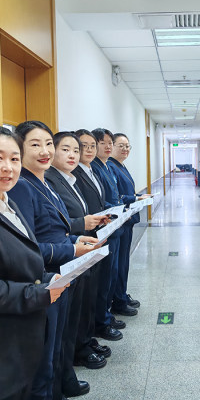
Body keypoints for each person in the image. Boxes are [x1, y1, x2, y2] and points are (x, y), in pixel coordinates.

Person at [0, 126, 67, 400]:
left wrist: (46, 278)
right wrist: (38, 293)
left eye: (14, 159)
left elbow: (20, 258)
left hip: (18, 337)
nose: (8, 167)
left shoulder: (5, 203)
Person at [10, 121, 97, 400]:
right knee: (42, 362)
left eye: (48, 143)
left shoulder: (43, 182)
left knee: (53, 354)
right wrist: (71, 248)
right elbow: (28, 246)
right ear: (19, 149)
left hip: (59, 278)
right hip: (42, 280)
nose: (45, 151)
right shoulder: (21, 187)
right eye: (35, 145)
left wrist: (75, 240)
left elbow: (54, 228)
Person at [45, 132, 108, 400]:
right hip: (56, 265)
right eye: (66, 149)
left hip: (75, 252)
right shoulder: (41, 182)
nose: (72, 155)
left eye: (75, 150)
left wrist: (78, 234)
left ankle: (66, 377)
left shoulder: (66, 179)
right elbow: (48, 229)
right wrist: (79, 229)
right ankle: (58, 388)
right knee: (60, 331)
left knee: (72, 322)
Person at [73, 129, 115, 358]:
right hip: (82, 240)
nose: (88, 150)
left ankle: (90, 336)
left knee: (96, 288)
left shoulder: (92, 171)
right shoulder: (72, 174)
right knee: (86, 294)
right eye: (83, 146)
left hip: (97, 234)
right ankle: (84, 342)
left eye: (91, 146)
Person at [107, 133, 151, 316]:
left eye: (127, 146)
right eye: (121, 146)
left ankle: (122, 295)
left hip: (128, 219)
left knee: (123, 262)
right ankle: (118, 300)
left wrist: (137, 197)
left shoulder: (120, 166)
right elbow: (116, 196)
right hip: (121, 220)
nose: (125, 149)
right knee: (119, 264)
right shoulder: (110, 167)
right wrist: (136, 198)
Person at [91, 128, 127, 335]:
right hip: (104, 227)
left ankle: (107, 314)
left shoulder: (105, 166)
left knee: (112, 274)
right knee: (105, 277)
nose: (107, 146)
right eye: (102, 143)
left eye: (109, 143)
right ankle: (102, 320)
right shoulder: (95, 167)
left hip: (115, 225)